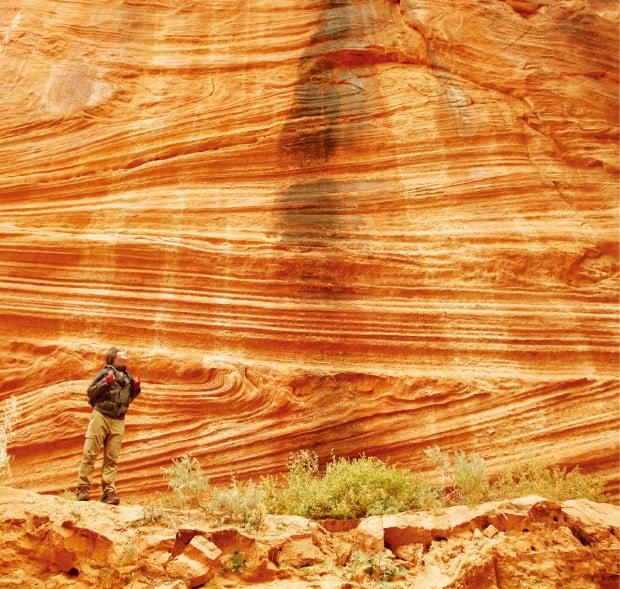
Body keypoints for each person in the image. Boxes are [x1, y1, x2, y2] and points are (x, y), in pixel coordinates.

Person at [76, 347, 141, 504]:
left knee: (112, 457)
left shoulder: (127, 377)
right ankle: (83, 489)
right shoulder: (106, 373)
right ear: (114, 358)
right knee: (90, 452)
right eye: (121, 352)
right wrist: (106, 382)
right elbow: (90, 392)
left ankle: (108, 492)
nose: (125, 352)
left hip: (118, 419)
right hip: (101, 416)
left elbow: (128, 397)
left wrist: (137, 389)